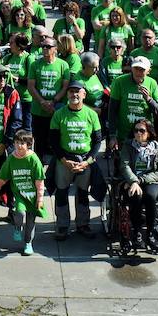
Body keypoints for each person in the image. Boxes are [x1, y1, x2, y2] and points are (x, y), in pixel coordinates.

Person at [50, 80, 103, 239]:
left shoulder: (91, 114)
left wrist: (88, 161)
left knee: (82, 193)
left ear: (84, 94)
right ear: (67, 94)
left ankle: (83, 224)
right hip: (64, 159)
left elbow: (98, 140)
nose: (74, 94)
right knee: (61, 192)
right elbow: (52, 140)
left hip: (84, 160)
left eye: (77, 92)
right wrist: (64, 160)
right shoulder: (59, 114)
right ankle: (62, 226)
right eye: (71, 91)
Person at [117, 120, 158, 250]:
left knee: (150, 196)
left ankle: (151, 234)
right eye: (136, 130)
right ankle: (137, 233)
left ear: (149, 133)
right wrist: (133, 181)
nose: (138, 133)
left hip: (150, 181)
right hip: (131, 181)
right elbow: (124, 166)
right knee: (136, 197)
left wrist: (139, 181)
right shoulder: (128, 146)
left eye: (142, 130)